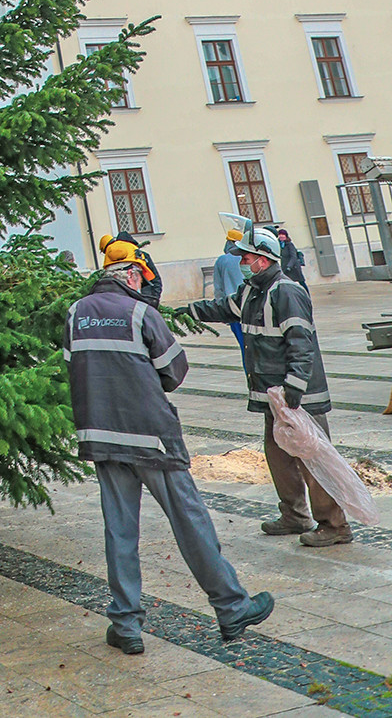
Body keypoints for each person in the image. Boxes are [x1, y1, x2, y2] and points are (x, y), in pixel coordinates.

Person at [65, 239, 273, 654]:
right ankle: (232, 607)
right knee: (190, 520)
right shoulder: (141, 313)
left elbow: (77, 366)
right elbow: (174, 371)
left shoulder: (76, 313)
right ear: (132, 274)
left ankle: (125, 624)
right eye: (142, 278)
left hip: (101, 436)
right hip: (151, 438)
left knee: (119, 530)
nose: (144, 284)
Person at [186, 221, 351, 547]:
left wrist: (295, 387)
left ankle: (335, 525)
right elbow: (222, 308)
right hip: (272, 395)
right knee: (278, 457)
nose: (241, 263)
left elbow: (300, 342)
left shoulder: (286, 291)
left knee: (314, 460)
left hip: (297, 396)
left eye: (245, 258)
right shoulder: (252, 291)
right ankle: (294, 515)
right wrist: (183, 312)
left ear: (263, 260)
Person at [99, 231, 162, 306]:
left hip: (145, 296)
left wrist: (153, 299)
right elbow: (156, 280)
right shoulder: (135, 257)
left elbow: (155, 280)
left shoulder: (140, 257)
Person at [213, 229, 247, 366]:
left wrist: (222, 311)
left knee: (244, 347)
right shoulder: (247, 258)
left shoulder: (222, 260)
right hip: (251, 307)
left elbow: (219, 289)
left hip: (232, 308)